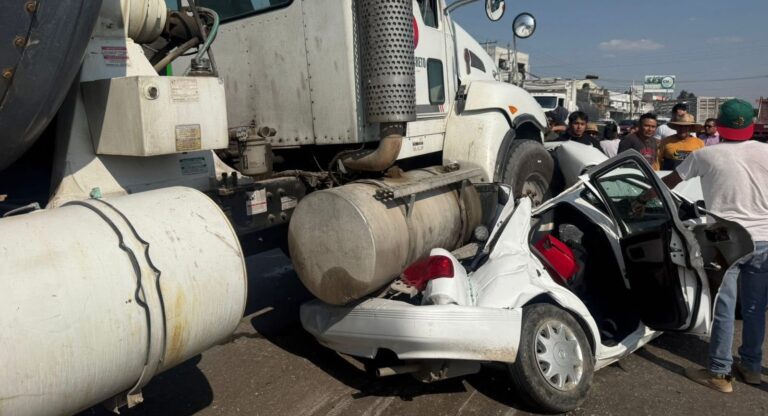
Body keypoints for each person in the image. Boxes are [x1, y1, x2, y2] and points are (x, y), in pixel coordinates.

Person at [659, 99, 768, 393]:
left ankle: (720, 373)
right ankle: (752, 367)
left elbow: (669, 182)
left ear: (718, 125)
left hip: (725, 240)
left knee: (723, 305)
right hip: (764, 239)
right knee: (756, 308)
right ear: (749, 125)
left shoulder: (706, 155)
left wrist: (642, 199)